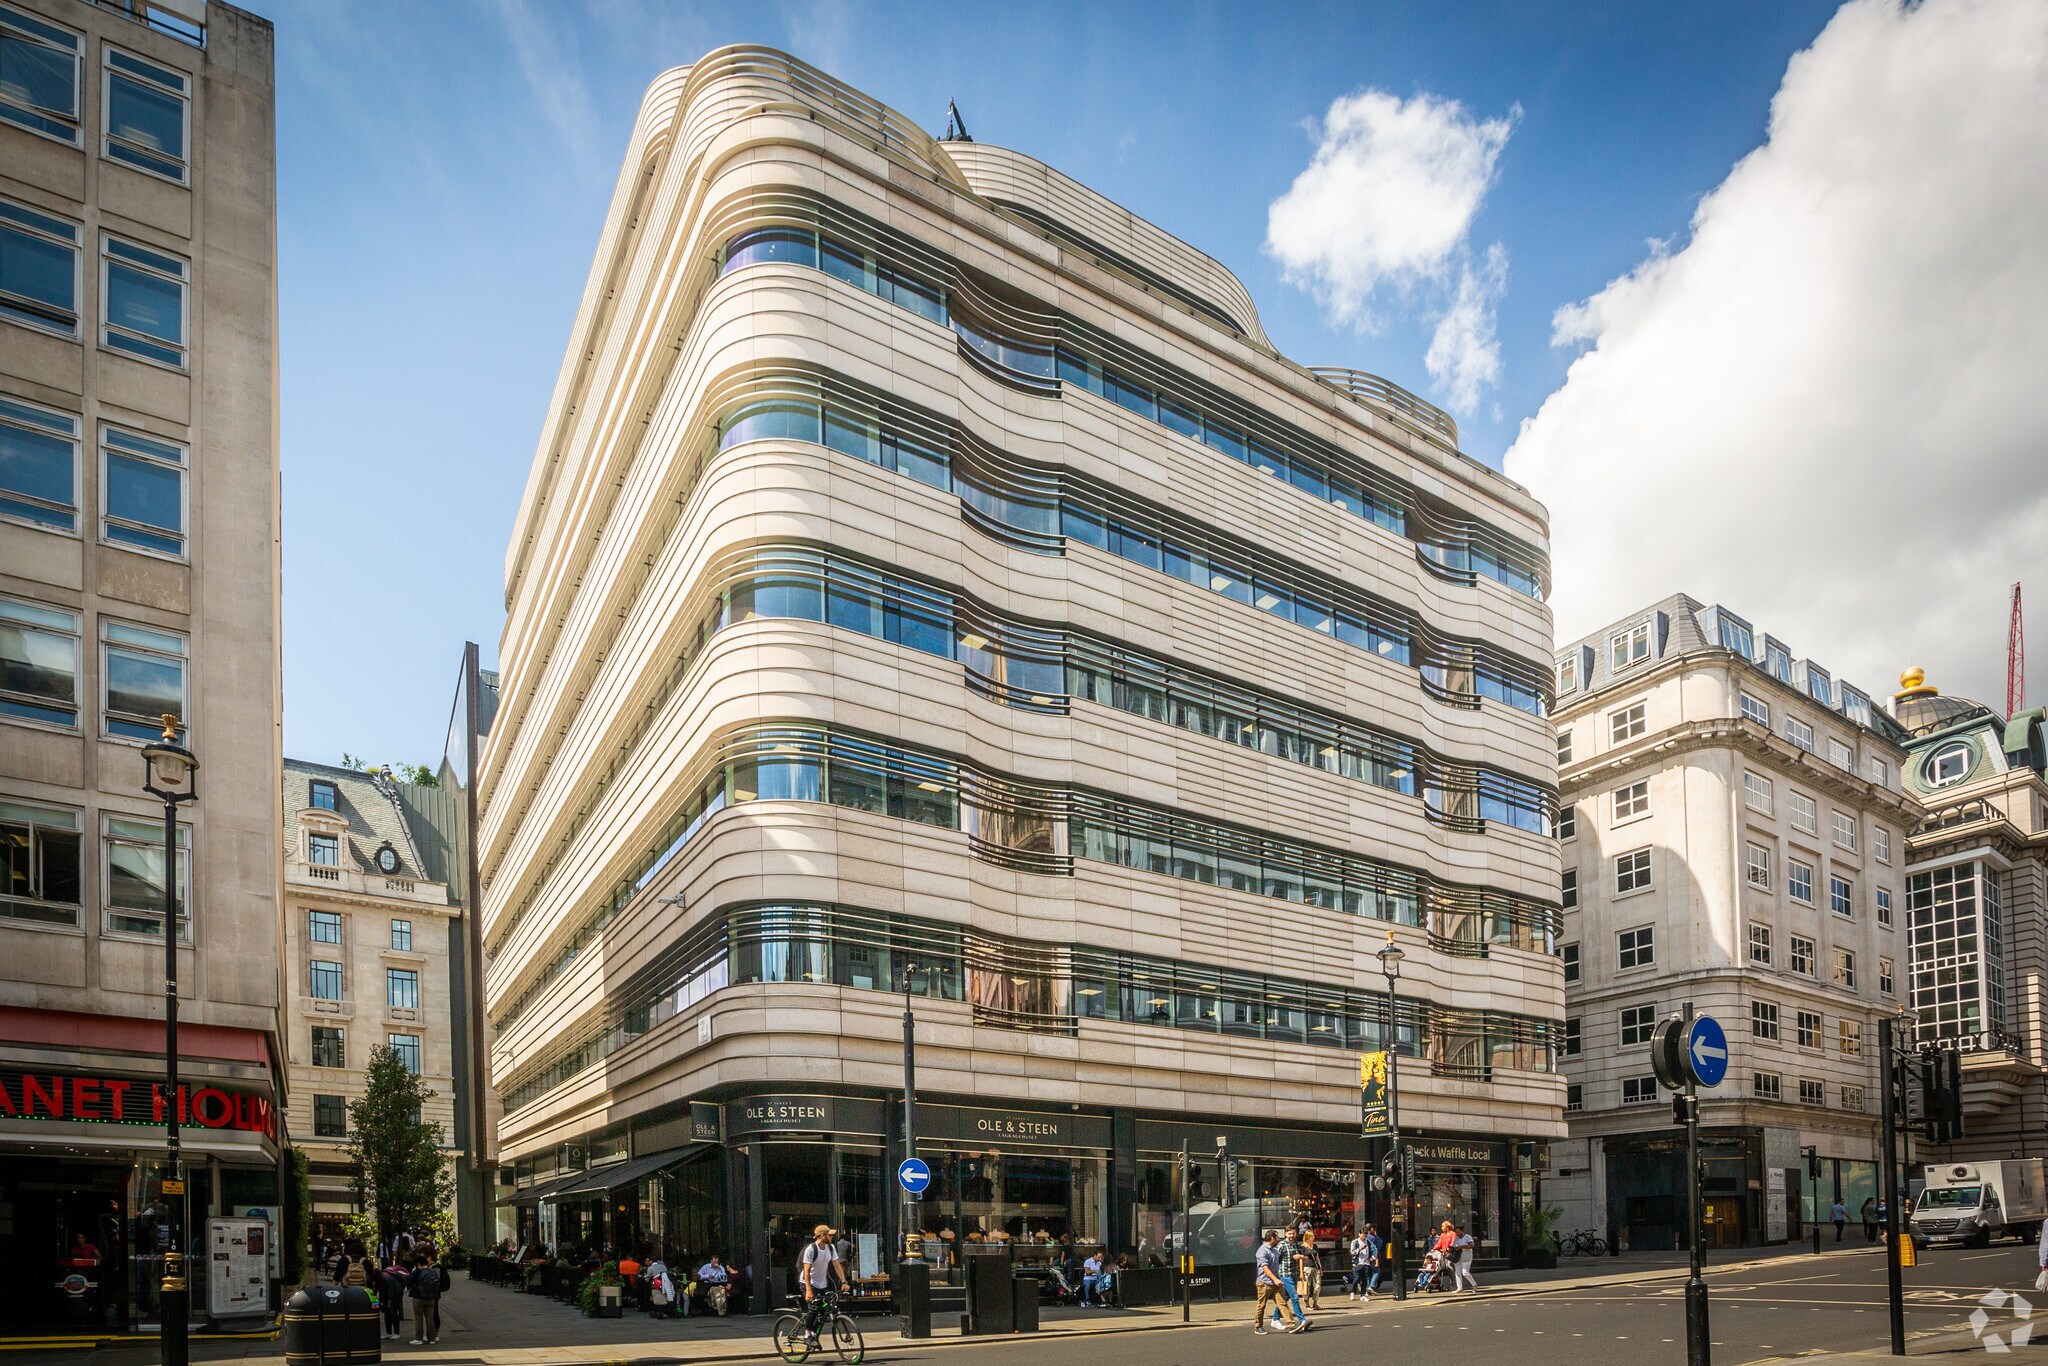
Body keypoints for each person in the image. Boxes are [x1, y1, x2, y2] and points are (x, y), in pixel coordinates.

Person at [799, 1225, 848, 1345]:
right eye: (829, 1235)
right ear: (822, 1236)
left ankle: (814, 1336)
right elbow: (806, 1271)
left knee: (824, 1312)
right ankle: (807, 1334)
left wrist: (844, 1281)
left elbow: (837, 1265)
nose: (831, 1237)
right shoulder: (811, 1249)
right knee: (814, 1309)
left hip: (822, 1284)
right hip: (808, 1283)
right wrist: (809, 1290)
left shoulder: (830, 1248)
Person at [1253, 1231, 1301, 1335]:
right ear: (1271, 1238)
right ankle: (1258, 1326)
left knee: (1282, 1303)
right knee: (1261, 1305)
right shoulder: (1262, 1251)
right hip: (1264, 1283)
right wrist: (1275, 1279)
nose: (1279, 1239)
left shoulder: (1274, 1250)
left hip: (1276, 1283)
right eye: (1277, 1237)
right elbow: (1265, 1268)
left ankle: (1291, 1324)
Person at [407, 1251, 446, 1346]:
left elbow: (409, 1283)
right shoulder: (432, 1271)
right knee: (430, 1318)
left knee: (419, 1318)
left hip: (418, 1298)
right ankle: (432, 1338)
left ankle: (418, 1338)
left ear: (418, 1264)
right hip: (431, 1298)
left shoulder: (417, 1272)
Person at [377, 1259, 407, 1339]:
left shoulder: (387, 1278)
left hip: (397, 1293)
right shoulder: (381, 1279)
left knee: (393, 1311)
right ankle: (388, 1332)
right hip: (391, 1293)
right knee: (387, 1312)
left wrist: (389, 1303)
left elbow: (391, 1291)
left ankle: (396, 1332)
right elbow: (380, 1292)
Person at [1450, 1224, 1478, 1293]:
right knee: (1457, 1273)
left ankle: (1474, 1284)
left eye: (1458, 1232)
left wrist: (1461, 1246)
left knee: (1465, 1272)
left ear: (1462, 1231)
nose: (1457, 1233)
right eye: (1456, 1232)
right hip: (1457, 1258)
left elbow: (1471, 1245)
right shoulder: (1456, 1239)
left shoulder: (1467, 1237)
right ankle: (1459, 1288)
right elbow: (1453, 1247)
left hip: (1466, 1258)